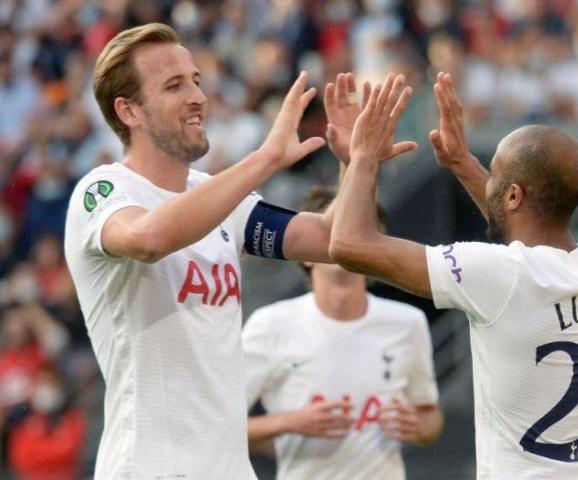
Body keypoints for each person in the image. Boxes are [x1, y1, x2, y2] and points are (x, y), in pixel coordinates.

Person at [63, 24, 416, 479]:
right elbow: (148, 239)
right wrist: (266, 156)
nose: (198, 97)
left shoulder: (219, 198)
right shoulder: (104, 189)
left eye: (196, 80)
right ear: (128, 110)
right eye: (174, 85)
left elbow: (334, 241)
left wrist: (358, 162)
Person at [329, 72, 578, 479]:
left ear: (513, 195)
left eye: (494, 172)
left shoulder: (499, 276)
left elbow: (348, 245)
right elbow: (522, 230)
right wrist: (462, 162)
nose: (487, 179)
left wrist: (362, 156)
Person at [242, 186, 443, 480]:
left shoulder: (408, 322)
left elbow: (430, 417)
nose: (347, 243)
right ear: (305, 254)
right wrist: (291, 422)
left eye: (361, 232)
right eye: (334, 231)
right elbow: (222, 422)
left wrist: (415, 425)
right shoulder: (270, 325)